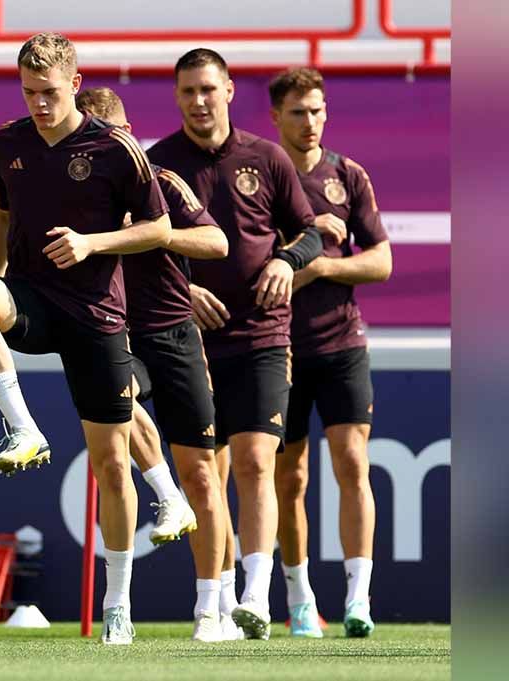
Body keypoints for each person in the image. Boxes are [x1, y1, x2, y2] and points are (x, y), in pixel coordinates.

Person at [0, 33, 172, 645]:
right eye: (29, 93)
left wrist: (92, 243)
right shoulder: (8, 141)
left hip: (96, 315)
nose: (40, 105)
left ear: (76, 84)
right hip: (31, 297)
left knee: (110, 462)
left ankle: (119, 606)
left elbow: (159, 227)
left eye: (49, 93)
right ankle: (22, 427)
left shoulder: (116, 149)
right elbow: (1, 209)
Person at [147, 48, 323, 641]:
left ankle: (254, 593)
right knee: (203, 475)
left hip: (264, 334)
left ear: (228, 92)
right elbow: (143, 247)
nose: (199, 101)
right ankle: (215, 603)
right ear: (178, 98)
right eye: (188, 91)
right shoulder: (157, 163)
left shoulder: (266, 157)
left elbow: (310, 234)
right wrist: (184, 290)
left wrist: (285, 259)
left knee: (254, 461)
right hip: (189, 341)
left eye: (209, 89)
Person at [76, 86, 231, 642]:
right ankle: (163, 502)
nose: (107, 144)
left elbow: (216, 243)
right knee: (123, 403)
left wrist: (159, 237)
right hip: (116, 332)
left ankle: (210, 609)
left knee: (203, 473)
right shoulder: (75, 193)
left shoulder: (160, 181)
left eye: (114, 133)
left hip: (174, 336)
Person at [268, 66, 391, 638]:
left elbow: (382, 260)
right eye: (298, 111)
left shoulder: (348, 175)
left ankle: (359, 599)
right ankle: (299, 600)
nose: (309, 121)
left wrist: (321, 265)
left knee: (352, 463)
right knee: (289, 479)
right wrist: (302, 254)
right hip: (278, 347)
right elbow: (256, 273)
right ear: (276, 117)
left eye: (317, 110)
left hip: (342, 342)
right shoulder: (263, 177)